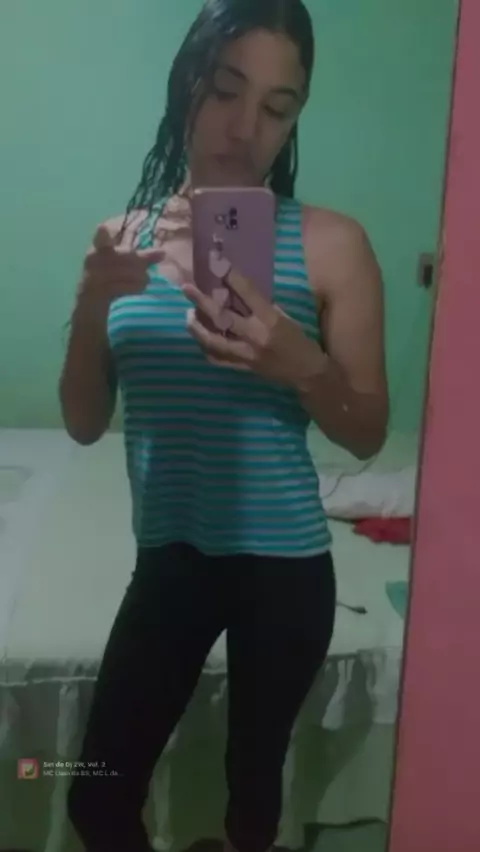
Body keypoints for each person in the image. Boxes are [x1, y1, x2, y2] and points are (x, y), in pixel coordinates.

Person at [62, 0, 389, 850]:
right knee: (95, 795)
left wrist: (302, 364)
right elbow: (84, 423)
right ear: (187, 87)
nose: (245, 129)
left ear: (295, 119)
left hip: (285, 569)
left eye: (278, 108)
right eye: (224, 90)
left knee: (252, 790)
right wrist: (90, 306)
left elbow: (366, 434)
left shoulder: (333, 246)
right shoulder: (122, 241)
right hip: (169, 558)